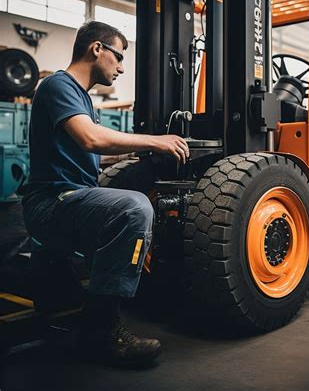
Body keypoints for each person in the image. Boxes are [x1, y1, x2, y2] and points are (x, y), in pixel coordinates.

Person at [22, 20, 189, 368]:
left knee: (132, 201)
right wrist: (155, 140)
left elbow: (93, 153)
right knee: (133, 209)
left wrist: (132, 154)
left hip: (68, 201)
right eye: (119, 56)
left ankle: (85, 302)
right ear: (97, 49)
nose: (122, 66)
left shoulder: (81, 98)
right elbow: (91, 139)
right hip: (52, 205)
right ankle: (101, 332)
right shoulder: (58, 85)